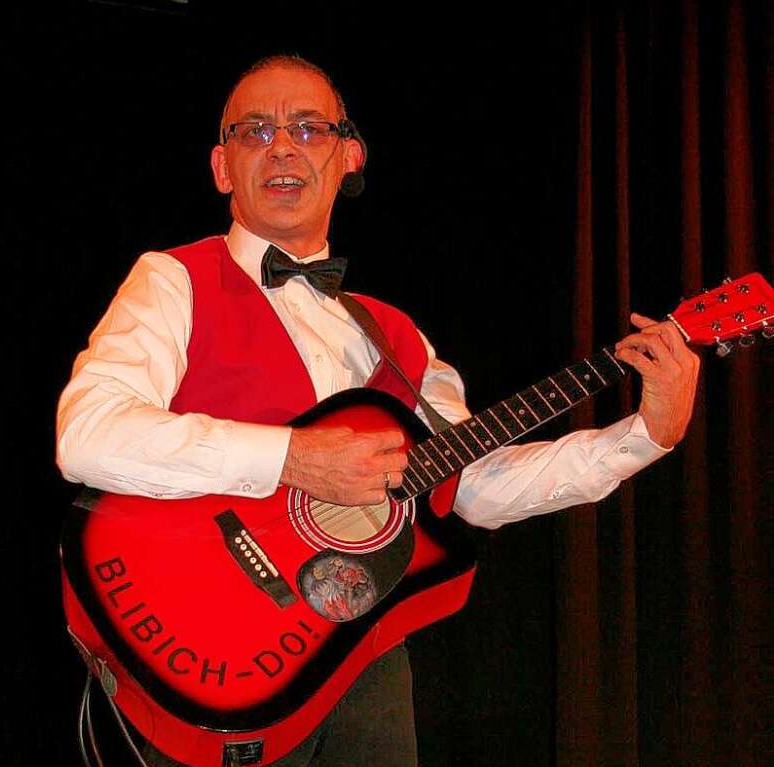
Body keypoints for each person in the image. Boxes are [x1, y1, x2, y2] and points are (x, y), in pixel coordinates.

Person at [56, 55, 699, 767]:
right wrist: (294, 458)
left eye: (308, 127)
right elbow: (88, 434)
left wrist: (645, 434)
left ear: (348, 155)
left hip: (365, 660)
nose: (282, 146)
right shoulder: (172, 277)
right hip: (211, 645)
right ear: (220, 166)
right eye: (254, 131)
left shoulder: (396, 336)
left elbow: (475, 487)